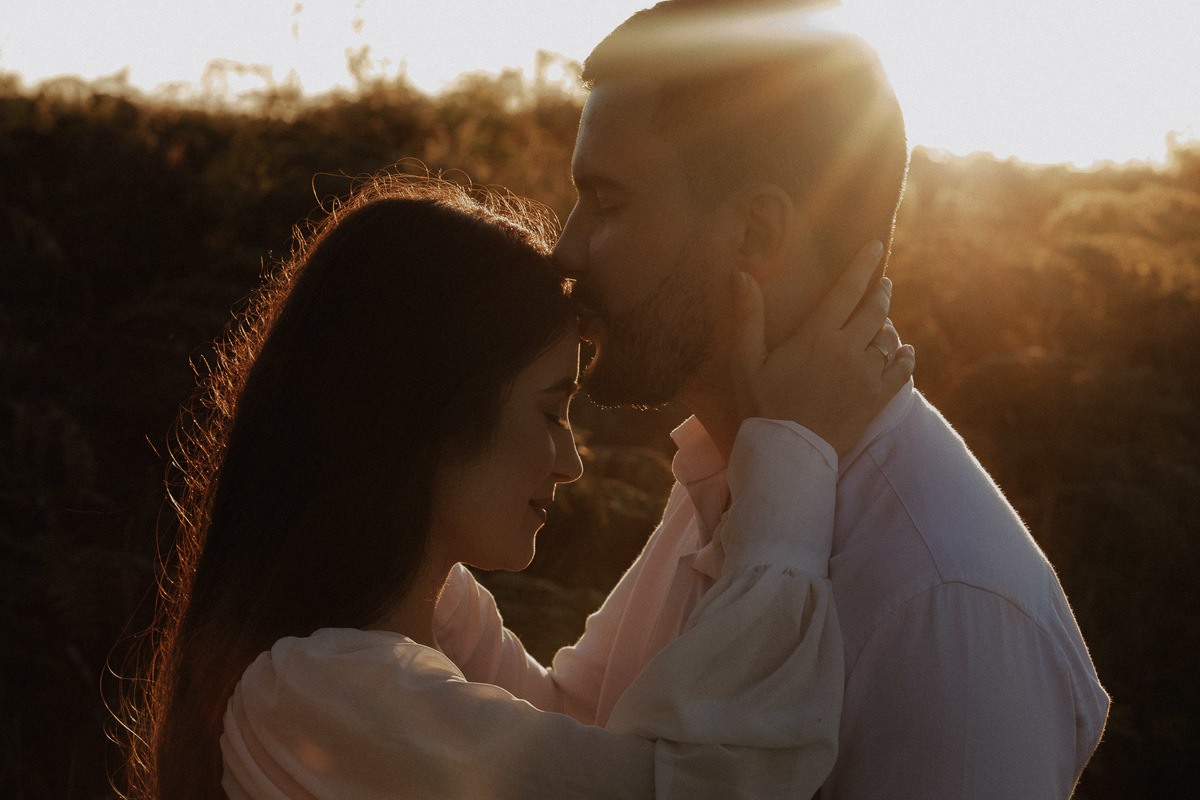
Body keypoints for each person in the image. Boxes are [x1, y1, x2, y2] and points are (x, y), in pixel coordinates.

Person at [433, 2, 1110, 797]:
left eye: (609, 204)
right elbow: (579, 731)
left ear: (755, 233)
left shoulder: (944, 603)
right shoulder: (732, 471)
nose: (567, 249)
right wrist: (396, 534)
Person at [120, 175, 913, 800]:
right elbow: (696, 785)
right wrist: (791, 452)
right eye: (549, 412)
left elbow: (571, 728)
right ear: (425, 416)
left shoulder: (436, 615)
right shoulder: (320, 696)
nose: (569, 462)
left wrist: (741, 441)